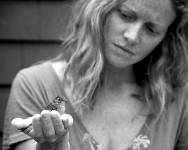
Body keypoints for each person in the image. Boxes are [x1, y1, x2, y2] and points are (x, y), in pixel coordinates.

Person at [2, 0, 188, 149]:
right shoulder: (36, 84)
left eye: (151, 29)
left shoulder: (178, 98)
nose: (132, 36)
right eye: (126, 15)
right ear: (100, 8)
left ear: (166, 37)